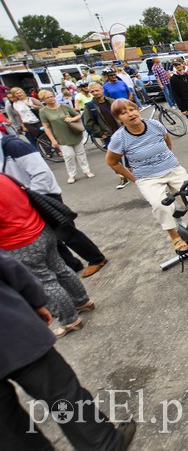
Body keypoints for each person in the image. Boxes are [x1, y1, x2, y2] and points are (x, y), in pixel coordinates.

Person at [0, 250, 136, 450]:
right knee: (62, 394)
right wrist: (36, 300)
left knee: (6, 427)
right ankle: (104, 445)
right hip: (13, 333)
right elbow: (10, 267)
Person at [0, 174, 95, 338]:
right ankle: (82, 301)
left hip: (20, 242)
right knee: (60, 269)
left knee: (46, 281)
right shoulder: (3, 177)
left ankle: (70, 320)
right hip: (41, 229)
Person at [1, 133, 108, 278]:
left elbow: (41, 174)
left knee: (66, 232)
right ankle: (72, 265)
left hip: (43, 196)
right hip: (27, 200)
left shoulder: (14, 146)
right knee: (50, 237)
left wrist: (28, 200)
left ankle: (96, 259)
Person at [105, 99, 188, 253]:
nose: (130, 114)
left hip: (172, 169)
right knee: (161, 205)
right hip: (147, 178)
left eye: (131, 109)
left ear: (138, 109)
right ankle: (175, 237)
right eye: (124, 113)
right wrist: (134, 179)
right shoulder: (119, 138)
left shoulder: (155, 125)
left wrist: (166, 159)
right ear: (119, 119)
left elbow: (167, 142)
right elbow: (112, 162)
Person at [37, 90, 94, 184]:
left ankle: (86, 171)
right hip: (60, 136)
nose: (51, 98)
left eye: (52, 96)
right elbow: (46, 127)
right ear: (43, 100)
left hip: (74, 133)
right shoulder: (43, 111)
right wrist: (52, 140)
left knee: (81, 154)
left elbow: (78, 116)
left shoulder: (64, 106)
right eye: (48, 97)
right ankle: (72, 175)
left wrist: (71, 119)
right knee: (69, 156)